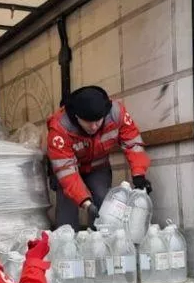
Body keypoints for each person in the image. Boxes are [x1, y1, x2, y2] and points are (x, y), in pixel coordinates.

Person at [46, 85, 151, 229]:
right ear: (76, 116)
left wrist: (139, 174)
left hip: (98, 167)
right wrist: (86, 203)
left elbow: (133, 144)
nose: (94, 127)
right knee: (67, 211)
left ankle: (99, 244)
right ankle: (67, 244)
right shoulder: (60, 128)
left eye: (98, 121)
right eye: (88, 122)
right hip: (68, 172)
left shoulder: (116, 114)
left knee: (103, 202)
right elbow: (67, 172)